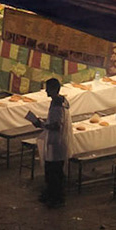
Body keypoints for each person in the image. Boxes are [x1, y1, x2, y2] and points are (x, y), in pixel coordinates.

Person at [27, 78, 69, 206]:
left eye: (48, 88)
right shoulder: (59, 102)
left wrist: (41, 124)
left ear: (53, 89)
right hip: (55, 142)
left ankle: (56, 197)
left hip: (56, 142)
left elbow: (56, 125)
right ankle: (51, 194)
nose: (45, 91)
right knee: (52, 170)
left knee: (54, 171)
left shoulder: (57, 105)